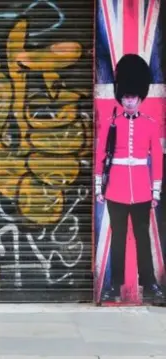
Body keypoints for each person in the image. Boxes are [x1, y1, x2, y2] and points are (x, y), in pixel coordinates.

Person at [95, 54, 164, 302]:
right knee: (119, 239)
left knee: (143, 237)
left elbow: (156, 157)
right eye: (125, 97)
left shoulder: (149, 124)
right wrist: (98, 187)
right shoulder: (112, 123)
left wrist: (155, 191)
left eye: (133, 97)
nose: (129, 101)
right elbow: (102, 154)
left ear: (140, 97)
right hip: (116, 188)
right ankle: (115, 285)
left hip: (142, 191)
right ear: (121, 96)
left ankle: (149, 282)